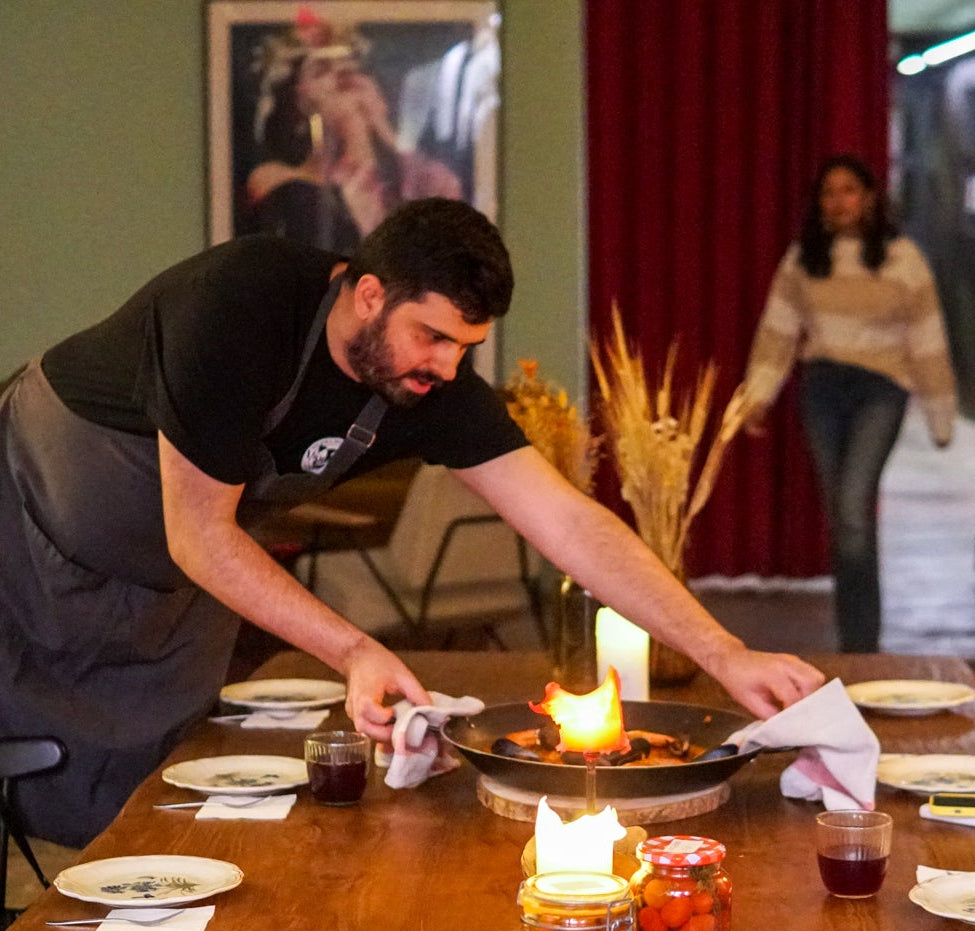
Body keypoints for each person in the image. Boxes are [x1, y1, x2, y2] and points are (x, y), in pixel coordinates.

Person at [0, 197, 823, 847]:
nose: (448, 365)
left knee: (159, 795)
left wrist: (723, 650)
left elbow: (569, 522)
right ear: (367, 294)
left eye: (465, 345)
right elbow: (203, 534)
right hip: (35, 530)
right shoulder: (237, 306)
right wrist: (355, 649)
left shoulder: (426, 384)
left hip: (168, 585)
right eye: (430, 335)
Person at [744, 153, 957, 652]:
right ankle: (854, 638)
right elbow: (777, 334)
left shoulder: (903, 259)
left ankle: (862, 645)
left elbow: (926, 339)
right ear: (819, 205)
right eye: (829, 192)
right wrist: (756, 396)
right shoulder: (803, 260)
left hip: (880, 389)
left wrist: (940, 415)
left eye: (849, 191)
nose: (839, 201)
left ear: (869, 198)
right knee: (843, 518)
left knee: (854, 509)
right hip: (822, 388)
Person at [245, 13, 462, 251]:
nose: (343, 75)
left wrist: (382, 127)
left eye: (351, 65)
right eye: (322, 69)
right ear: (298, 100)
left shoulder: (422, 175)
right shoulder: (278, 179)